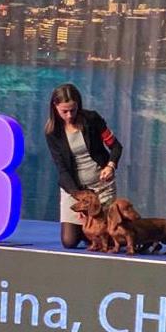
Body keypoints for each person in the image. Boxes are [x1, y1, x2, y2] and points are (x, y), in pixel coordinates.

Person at [44, 83, 123, 249]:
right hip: (75, 191)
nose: (69, 115)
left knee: (106, 239)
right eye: (64, 111)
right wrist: (79, 198)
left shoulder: (92, 119)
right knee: (69, 242)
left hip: (101, 187)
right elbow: (62, 169)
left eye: (73, 110)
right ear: (55, 107)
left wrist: (110, 166)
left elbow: (116, 146)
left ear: (78, 105)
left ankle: (96, 230)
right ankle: (88, 229)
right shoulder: (52, 132)